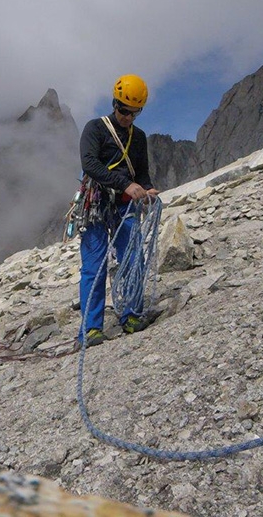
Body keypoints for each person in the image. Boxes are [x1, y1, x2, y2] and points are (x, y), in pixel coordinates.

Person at [77, 75, 159, 347]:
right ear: (114, 104)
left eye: (135, 112)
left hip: (125, 203)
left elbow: (142, 173)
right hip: (96, 204)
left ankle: (131, 314)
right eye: (124, 110)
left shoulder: (139, 138)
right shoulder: (96, 129)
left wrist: (146, 189)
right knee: (94, 266)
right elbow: (89, 163)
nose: (128, 117)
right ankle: (90, 330)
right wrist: (126, 184)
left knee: (133, 257)